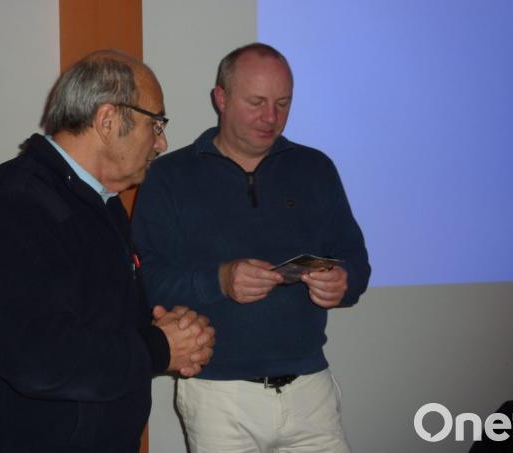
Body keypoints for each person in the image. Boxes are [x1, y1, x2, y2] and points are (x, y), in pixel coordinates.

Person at [0, 50, 215, 452]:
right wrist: (159, 348)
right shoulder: (12, 204)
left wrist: (173, 334)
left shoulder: (100, 203)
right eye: (155, 123)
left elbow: (100, 323)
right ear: (108, 120)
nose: (161, 143)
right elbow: (37, 358)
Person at [132, 43, 371, 452]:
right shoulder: (170, 176)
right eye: (256, 102)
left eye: (283, 103)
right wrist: (220, 280)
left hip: (311, 389)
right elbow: (146, 282)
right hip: (219, 396)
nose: (271, 117)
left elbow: (356, 261)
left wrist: (343, 282)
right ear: (220, 98)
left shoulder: (315, 168)